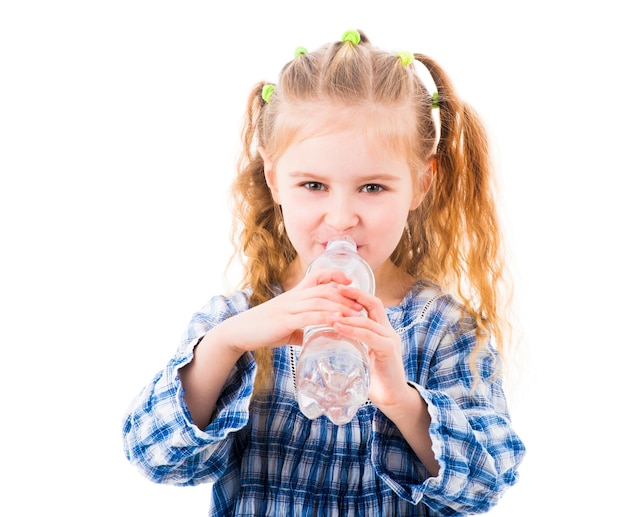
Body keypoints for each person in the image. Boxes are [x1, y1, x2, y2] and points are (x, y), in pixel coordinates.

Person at [122, 29, 525, 516]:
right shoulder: (238, 320)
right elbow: (155, 458)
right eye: (313, 184)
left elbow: (485, 485)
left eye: (372, 188)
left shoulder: (441, 329)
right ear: (275, 181)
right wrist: (224, 345)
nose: (340, 217)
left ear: (421, 184)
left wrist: (400, 400)